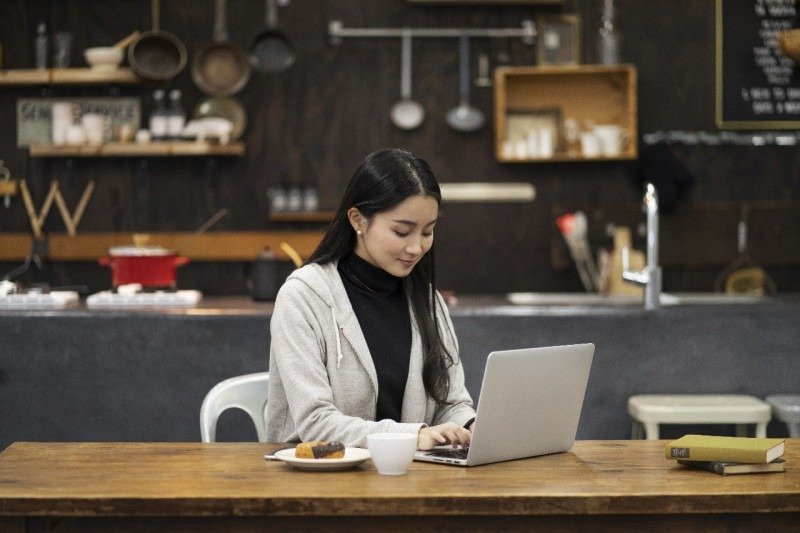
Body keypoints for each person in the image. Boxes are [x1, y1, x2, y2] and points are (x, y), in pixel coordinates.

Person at [265, 148, 475, 450]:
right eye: (402, 232)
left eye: (428, 232)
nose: (416, 247)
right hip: (317, 480)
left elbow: (451, 402)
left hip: (406, 477)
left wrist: (471, 425)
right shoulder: (303, 297)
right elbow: (315, 423)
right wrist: (412, 437)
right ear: (358, 220)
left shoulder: (427, 301)